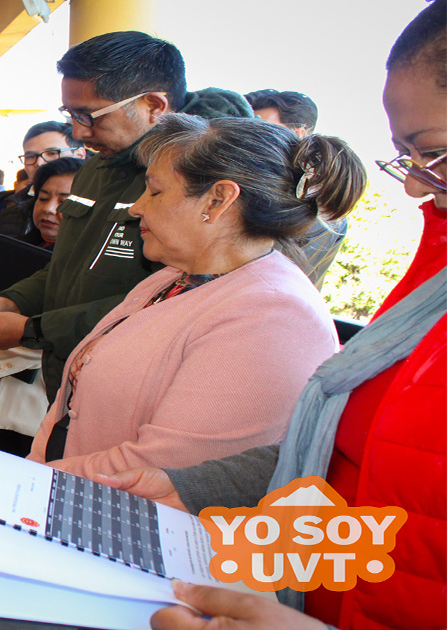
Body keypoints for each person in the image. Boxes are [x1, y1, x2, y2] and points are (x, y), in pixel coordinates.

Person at [103, 4, 445, 628]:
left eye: (435, 154)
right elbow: (354, 459)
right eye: (407, 157)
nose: (417, 188)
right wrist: (197, 485)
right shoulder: (174, 280)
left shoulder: (270, 311)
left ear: (218, 200)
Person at [0, 31, 252, 464]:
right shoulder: (95, 170)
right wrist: (10, 301)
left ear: (154, 105)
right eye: (70, 114)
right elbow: (66, 266)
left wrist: (32, 329)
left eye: (90, 115)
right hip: (66, 376)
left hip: (129, 389)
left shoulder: (196, 183)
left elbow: (166, 298)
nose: (80, 132)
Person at [22, 113, 363, 477]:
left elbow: (166, 468)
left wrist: (34, 481)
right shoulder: (175, 277)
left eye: (154, 191)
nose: (136, 207)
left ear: (217, 200)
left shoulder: (274, 318)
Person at [0, 157, 86, 448]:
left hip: (50, 405)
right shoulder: (14, 252)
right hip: (2, 392)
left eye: (64, 201)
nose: (49, 209)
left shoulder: (92, 268)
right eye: (43, 197)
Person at [244, 89, 349, 289]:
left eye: (264, 128)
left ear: (298, 134)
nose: (252, 139)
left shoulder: (319, 212)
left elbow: (274, 286)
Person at [0, 121, 85, 234]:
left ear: (80, 155)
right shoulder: (3, 210)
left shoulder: (96, 211)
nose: (39, 163)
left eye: (52, 153)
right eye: (30, 156)